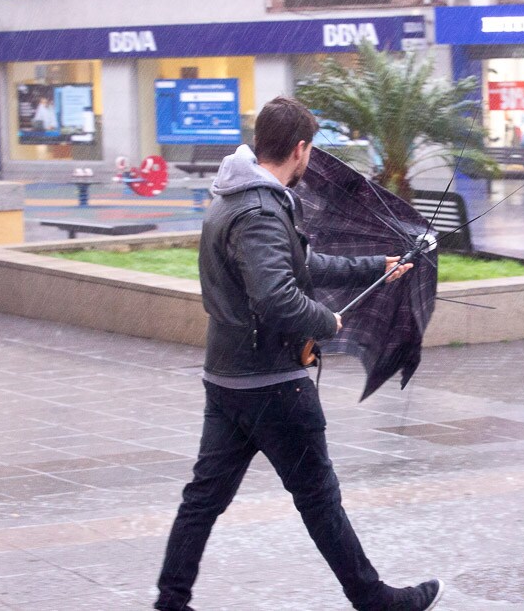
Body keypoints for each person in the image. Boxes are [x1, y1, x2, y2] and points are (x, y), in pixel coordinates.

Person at [154, 96, 444, 611]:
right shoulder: (261, 211)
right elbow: (276, 296)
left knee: (203, 500)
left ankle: (170, 602)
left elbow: (304, 263)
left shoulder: (237, 197)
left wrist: (378, 265)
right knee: (319, 499)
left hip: (229, 379)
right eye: (311, 150)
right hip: (272, 384)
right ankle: (374, 599)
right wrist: (325, 321)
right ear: (301, 149)